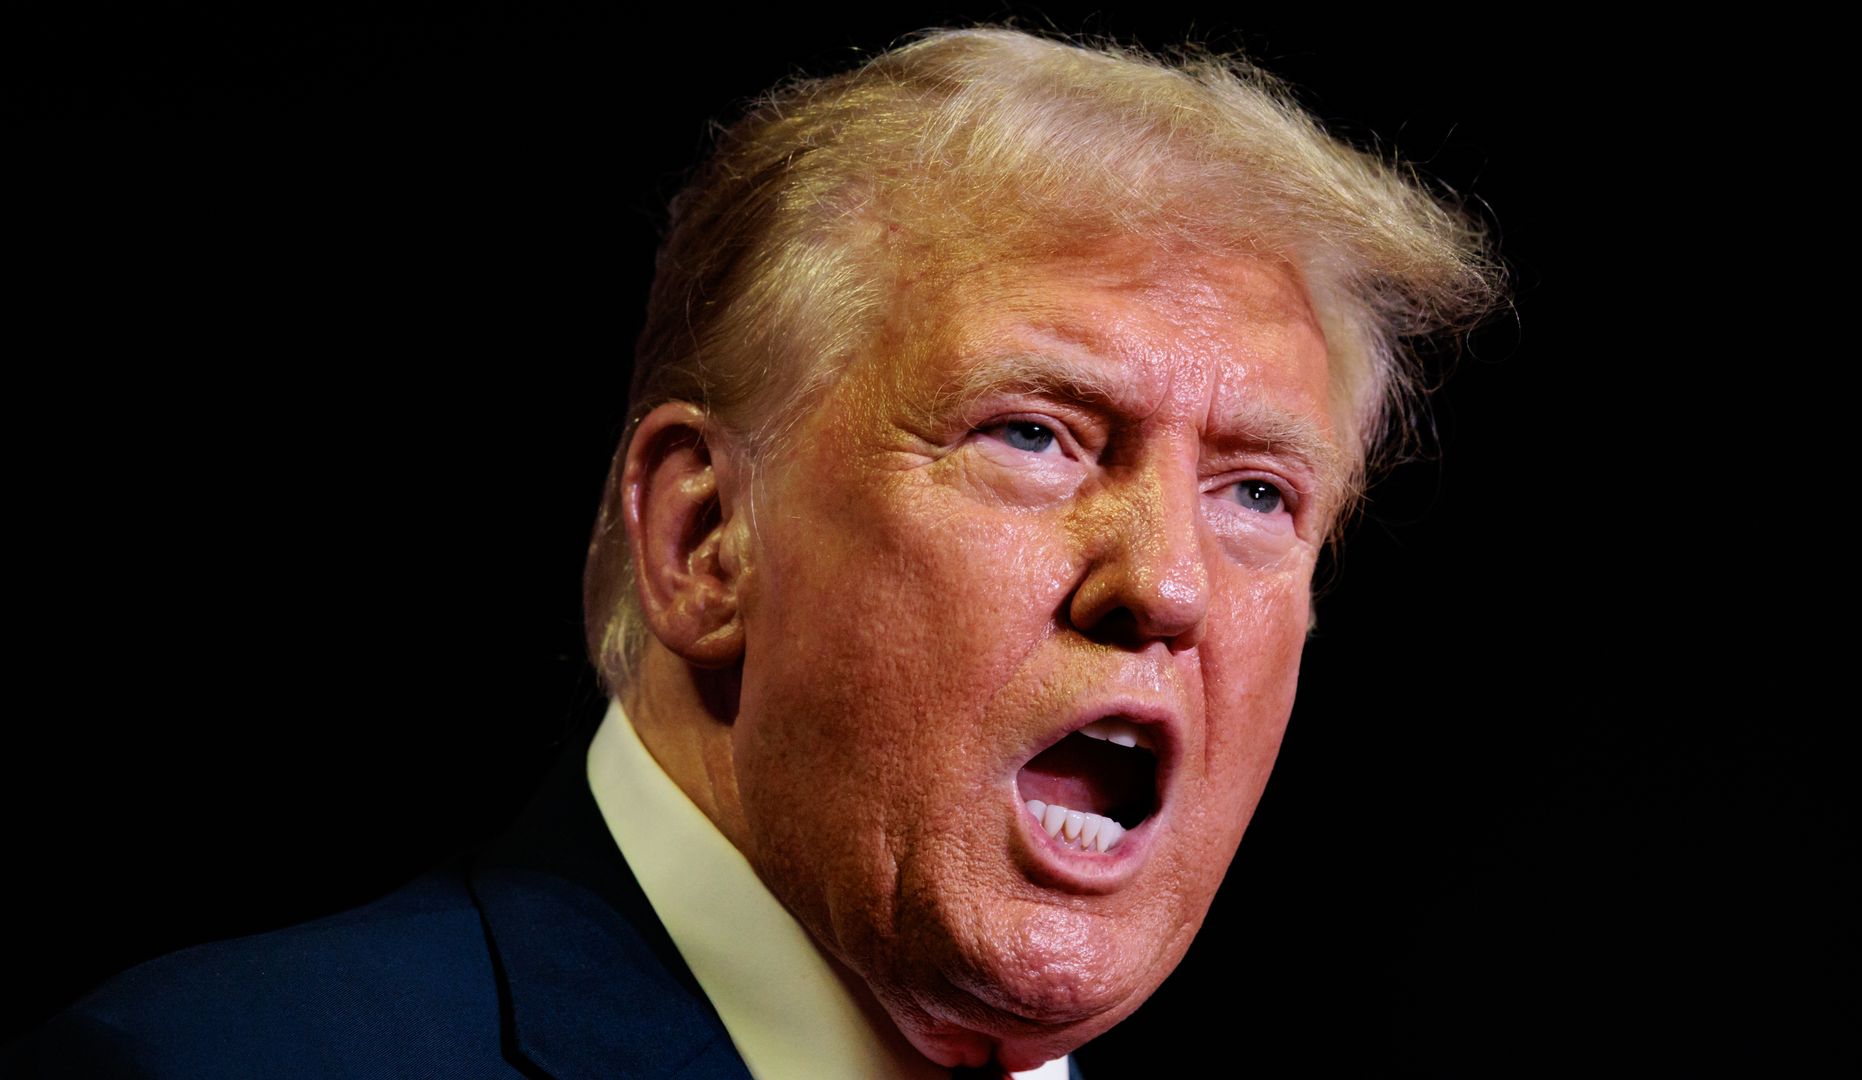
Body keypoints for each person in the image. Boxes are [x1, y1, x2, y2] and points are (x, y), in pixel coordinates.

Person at [10, 26, 1497, 1078]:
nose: (1166, 584)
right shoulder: (228, 1065)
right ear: (705, 541)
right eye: (1037, 436)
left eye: (1256, 495)